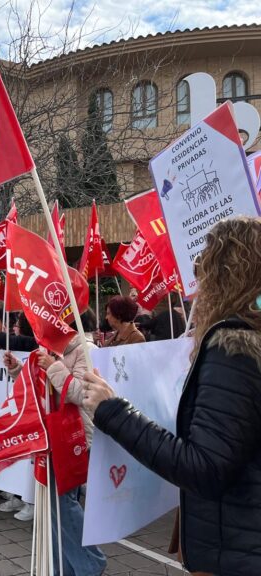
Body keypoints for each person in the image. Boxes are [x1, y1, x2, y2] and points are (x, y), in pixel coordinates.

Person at [83, 217, 261, 576]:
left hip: (236, 554)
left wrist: (113, 411)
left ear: (225, 277)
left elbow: (205, 468)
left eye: (205, 273)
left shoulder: (235, 349)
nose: (198, 290)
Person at [4, 310, 106, 574]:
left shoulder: (85, 348)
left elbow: (82, 393)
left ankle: (90, 563)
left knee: (61, 503)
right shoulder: (49, 347)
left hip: (74, 436)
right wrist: (17, 370)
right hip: (50, 436)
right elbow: (37, 388)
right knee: (52, 508)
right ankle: (65, 568)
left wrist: (53, 366)